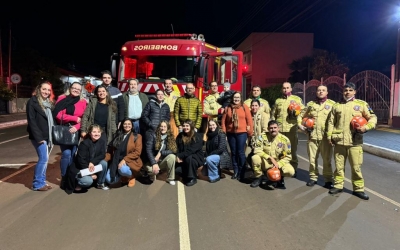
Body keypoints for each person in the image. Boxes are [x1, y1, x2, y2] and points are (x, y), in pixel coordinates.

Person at [327, 82, 377, 200]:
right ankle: (338, 185)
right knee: (339, 166)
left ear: (354, 92)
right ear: (343, 92)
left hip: (355, 142)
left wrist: (366, 127)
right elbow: (330, 122)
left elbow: (373, 118)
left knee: (356, 167)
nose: (347, 92)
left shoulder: (361, 104)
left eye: (350, 90)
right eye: (345, 90)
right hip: (339, 141)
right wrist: (329, 136)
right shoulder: (337, 106)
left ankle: (358, 189)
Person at [53, 82, 87, 189]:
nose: (76, 90)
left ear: (81, 91)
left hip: (75, 130)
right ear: (70, 88)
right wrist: (74, 119)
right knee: (66, 154)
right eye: (74, 88)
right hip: (64, 130)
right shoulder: (62, 98)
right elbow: (58, 114)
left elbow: (85, 118)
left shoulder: (83, 102)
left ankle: (71, 177)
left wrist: (77, 127)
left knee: (73, 155)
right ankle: (64, 177)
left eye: (78, 89)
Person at [300, 85, 335, 188]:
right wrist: (301, 126)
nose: (321, 92)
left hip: (326, 138)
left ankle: (328, 179)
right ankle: (313, 177)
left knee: (327, 160)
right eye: (319, 90)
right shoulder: (311, 105)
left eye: (323, 90)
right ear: (316, 92)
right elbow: (301, 115)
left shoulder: (332, 105)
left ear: (327, 92)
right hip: (312, 136)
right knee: (312, 159)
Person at [271, 82, 305, 177]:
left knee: (292, 149)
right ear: (282, 89)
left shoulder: (296, 99)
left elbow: (303, 111)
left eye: (287, 88)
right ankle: (280, 167)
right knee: (279, 149)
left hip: (291, 129)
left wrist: (298, 117)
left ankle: (293, 167)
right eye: (284, 88)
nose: (286, 90)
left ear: (291, 89)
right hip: (280, 129)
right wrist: (273, 125)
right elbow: (273, 114)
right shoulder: (278, 101)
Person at [26, 81, 55, 191]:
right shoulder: (32, 102)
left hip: (47, 136)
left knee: (45, 159)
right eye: (44, 89)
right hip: (39, 137)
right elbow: (31, 121)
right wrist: (39, 138)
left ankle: (42, 181)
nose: (46, 92)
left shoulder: (48, 103)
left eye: (48, 90)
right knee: (43, 158)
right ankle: (37, 184)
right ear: (39, 89)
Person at [250, 120, 295, 189]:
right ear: (268, 129)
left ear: (278, 128)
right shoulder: (262, 137)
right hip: (266, 162)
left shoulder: (285, 140)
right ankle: (259, 177)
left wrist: (278, 164)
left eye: (275, 127)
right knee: (255, 158)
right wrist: (270, 158)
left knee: (290, 171)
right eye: (271, 128)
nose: (273, 130)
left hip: (279, 162)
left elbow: (288, 157)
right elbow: (257, 150)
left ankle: (279, 179)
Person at [64, 124, 108, 194]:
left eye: (98, 132)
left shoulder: (102, 142)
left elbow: (102, 155)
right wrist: (91, 173)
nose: (97, 134)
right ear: (90, 133)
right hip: (80, 167)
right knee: (88, 181)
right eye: (94, 132)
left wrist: (92, 162)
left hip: (91, 165)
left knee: (104, 163)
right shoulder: (84, 144)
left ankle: (100, 183)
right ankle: (78, 181)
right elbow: (80, 160)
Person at [221, 91, 253, 181]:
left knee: (240, 152)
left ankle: (242, 172)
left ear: (241, 98)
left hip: (242, 133)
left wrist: (250, 132)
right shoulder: (228, 108)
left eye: (238, 98)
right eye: (235, 97)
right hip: (231, 133)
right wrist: (224, 132)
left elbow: (249, 120)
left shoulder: (244, 107)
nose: (236, 99)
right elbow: (223, 121)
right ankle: (235, 171)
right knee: (234, 153)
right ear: (232, 98)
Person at [104, 118, 143, 188]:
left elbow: (137, 152)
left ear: (132, 126)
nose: (127, 125)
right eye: (125, 124)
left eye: (129, 124)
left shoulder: (137, 136)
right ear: (122, 125)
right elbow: (111, 151)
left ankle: (130, 176)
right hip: (116, 161)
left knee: (123, 169)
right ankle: (122, 176)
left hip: (130, 161)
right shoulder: (117, 135)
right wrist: (103, 160)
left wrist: (124, 160)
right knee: (109, 180)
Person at [145, 120, 178, 185]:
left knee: (172, 157)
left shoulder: (170, 136)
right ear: (159, 127)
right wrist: (154, 163)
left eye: (165, 126)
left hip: (162, 160)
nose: (163, 128)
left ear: (168, 128)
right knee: (151, 170)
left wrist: (161, 153)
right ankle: (152, 175)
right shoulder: (153, 135)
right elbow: (148, 150)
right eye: (161, 126)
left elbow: (173, 150)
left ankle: (170, 178)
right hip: (152, 160)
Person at [176, 119, 204, 186]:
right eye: (184, 126)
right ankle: (186, 175)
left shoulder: (197, 136)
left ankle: (192, 178)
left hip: (195, 158)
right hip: (183, 158)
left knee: (189, 158)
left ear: (191, 126)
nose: (185, 127)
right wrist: (176, 156)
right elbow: (176, 148)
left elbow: (191, 151)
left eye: (187, 126)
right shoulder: (180, 136)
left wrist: (179, 156)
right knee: (177, 170)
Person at [246, 99, 269, 167]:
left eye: (256, 105)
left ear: (259, 106)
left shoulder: (264, 115)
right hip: (251, 141)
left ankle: (261, 171)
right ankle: (253, 169)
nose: (254, 107)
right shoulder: (248, 115)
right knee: (246, 155)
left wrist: (259, 140)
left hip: (260, 141)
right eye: (252, 105)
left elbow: (265, 130)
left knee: (258, 157)